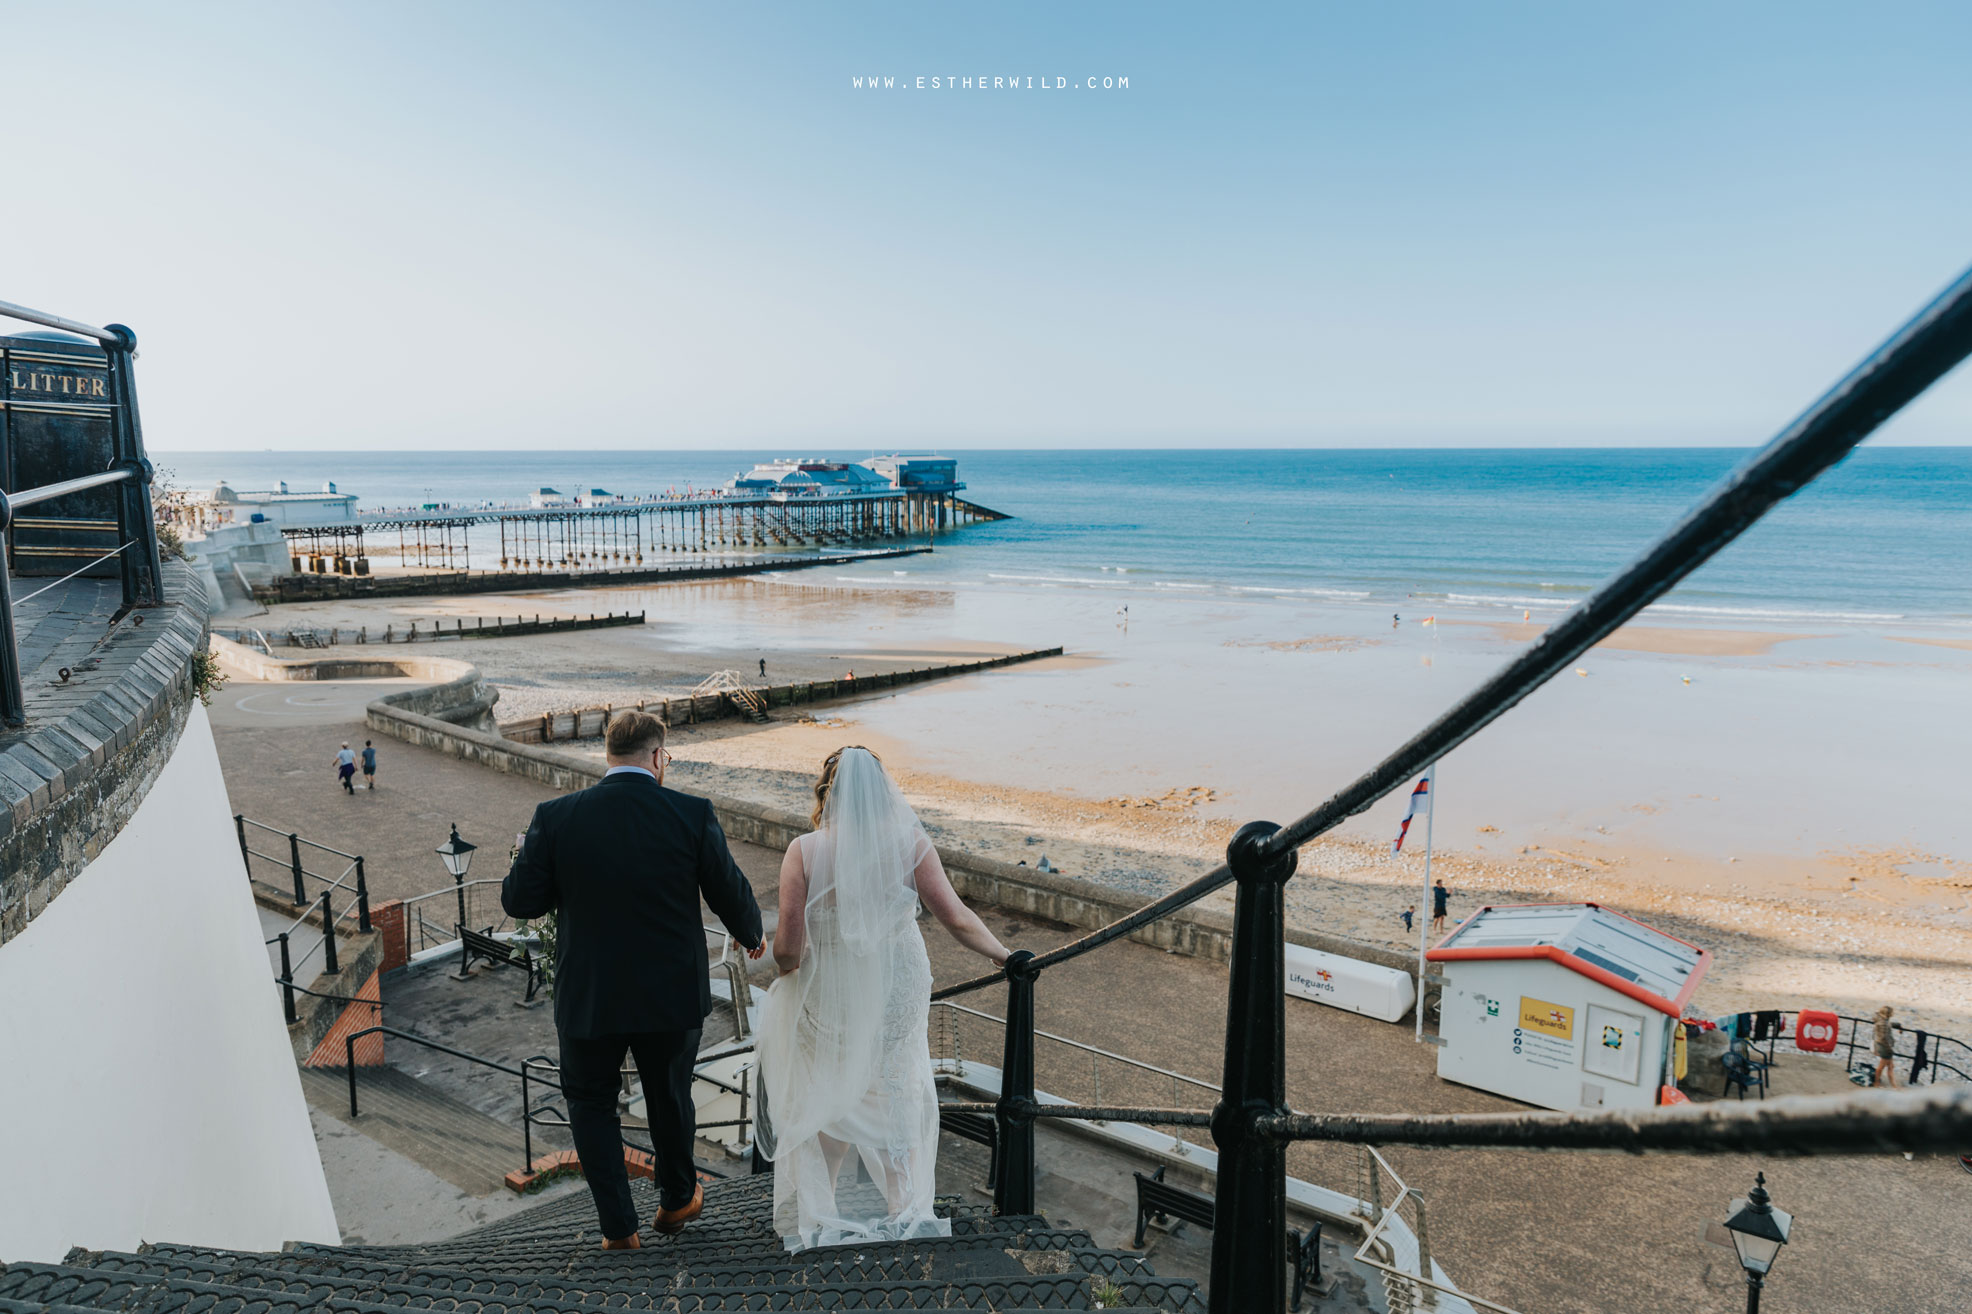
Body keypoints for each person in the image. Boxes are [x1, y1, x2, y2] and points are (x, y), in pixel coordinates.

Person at [503, 710, 764, 1250]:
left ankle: (620, 1231)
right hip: (668, 993)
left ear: (607, 757)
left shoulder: (556, 817)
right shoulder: (691, 813)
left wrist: (561, 881)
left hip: (589, 993)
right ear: (656, 757)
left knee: (590, 1103)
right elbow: (729, 889)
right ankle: (676, 1199)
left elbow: (518, 900)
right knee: (670, 1095)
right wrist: (750, 931)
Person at [756, 746, 1010, 1252]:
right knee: (898, 1085)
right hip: (899, 985)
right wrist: (1008, 958)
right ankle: (906, 1212)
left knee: (832, 1085)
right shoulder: (908, 842)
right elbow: (957, 918)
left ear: (828, 794)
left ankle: (824, 1213)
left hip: (834, 993)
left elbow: (789, 950)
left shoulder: (803, 852)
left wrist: (779, 970)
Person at [1873, 1005, 1899, 1089]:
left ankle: (1894, 1086)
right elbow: (1883, 1038)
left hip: (1883, 1047)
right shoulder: (1883, 1023)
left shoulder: (1882, 1020)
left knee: (1890, 1066)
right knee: (1882, 1067)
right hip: (1884, 1048)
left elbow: (1888, 1025)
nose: (1893, 1014)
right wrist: (1889, 1049)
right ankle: (1877, 1083)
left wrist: (1898, 1025)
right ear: (1888, 1014)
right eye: (1892, 1012)